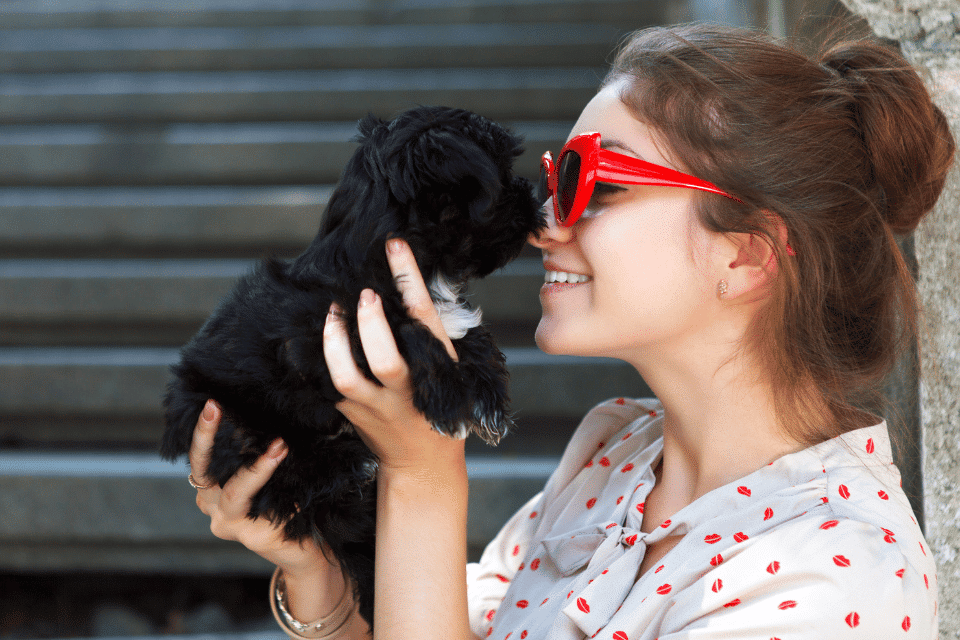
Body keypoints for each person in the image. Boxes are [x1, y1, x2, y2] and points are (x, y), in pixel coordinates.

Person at [184, 23, 954, 640]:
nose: (545, 224)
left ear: (746, 255)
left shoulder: (831, 576)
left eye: (597, 182)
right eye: (555, 178)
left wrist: (422, 479)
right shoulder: (615, 455)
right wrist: (320, 575)